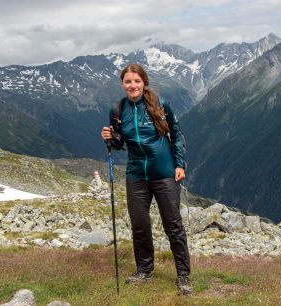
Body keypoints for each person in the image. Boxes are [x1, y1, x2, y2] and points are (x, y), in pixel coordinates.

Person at [101, 63, 193, 295]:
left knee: (173, 225)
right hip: (136, 175)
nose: (132, 85)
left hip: (164, 173)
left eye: (137, 81)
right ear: (123, 84)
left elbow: (177, 132)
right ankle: (144, 270)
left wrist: (179, 163)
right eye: (128, 82)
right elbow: (120, 143)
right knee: (140, 225)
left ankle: (183, 275)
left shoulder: (161, 105)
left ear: (144, 83)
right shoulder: (118, 110)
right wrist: (110, 137)